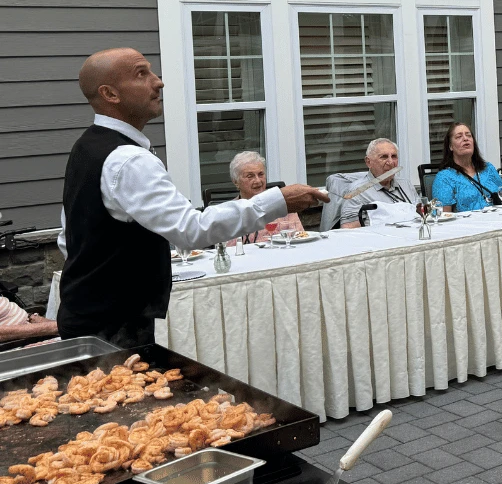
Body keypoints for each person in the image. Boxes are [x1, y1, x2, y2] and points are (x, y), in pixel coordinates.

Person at [57, 48, 327, 348]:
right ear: (110, 94)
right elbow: (192, 230)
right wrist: (278, 201)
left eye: (152, 71)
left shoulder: (87, 147)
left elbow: (68, 237)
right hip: (113, 324)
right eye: (141, 74)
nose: (158, 82)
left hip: (85, 313)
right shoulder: (128, 159)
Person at [327, 139, 418, 228]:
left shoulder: (406, 184)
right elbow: (349, 230)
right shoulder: (357, 191)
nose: (391, 162)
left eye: (394, 156)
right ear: (368, 162)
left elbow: (422, 214)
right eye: (384, 157)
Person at [230, 151, 304, 243]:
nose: (258, 181)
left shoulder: (283, 205)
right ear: (236, 182)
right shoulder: (229, 214)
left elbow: (300, 239)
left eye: (261, 174)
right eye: (250, 176)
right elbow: (227, 250)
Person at [432, 123, 502, 211]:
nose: (465, 139)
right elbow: (444, 216)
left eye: (469, 135)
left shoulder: (488, 168)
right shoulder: (444, 178)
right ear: (450, 146)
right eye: (459, 137)